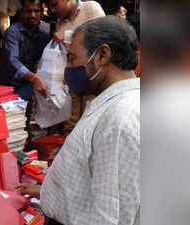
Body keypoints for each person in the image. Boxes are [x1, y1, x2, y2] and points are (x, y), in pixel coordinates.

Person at [16, 16, 140, 225]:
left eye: (72, 58)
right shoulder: (114, 105)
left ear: (102, 55)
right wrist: (45, 191)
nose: (67, 70)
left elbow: (111, 215)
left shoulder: (119, 117)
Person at [47, 0, 105, 137]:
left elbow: (103, 36)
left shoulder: (91, 8)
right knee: (70, 123)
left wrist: (66, 35)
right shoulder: (61, 21)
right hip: (72, 78)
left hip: (93, 77)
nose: (52, 10)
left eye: (55, 5)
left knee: (90, 122)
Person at [0, 0, 51, 101]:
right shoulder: (13, 32)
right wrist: (34, 78)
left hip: (27, 86)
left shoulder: (45, 36)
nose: (33, 15)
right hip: (6, 84)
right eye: (28, 11)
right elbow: (12, 61)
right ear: (22, 12)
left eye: (36, 11)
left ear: (42, 12)